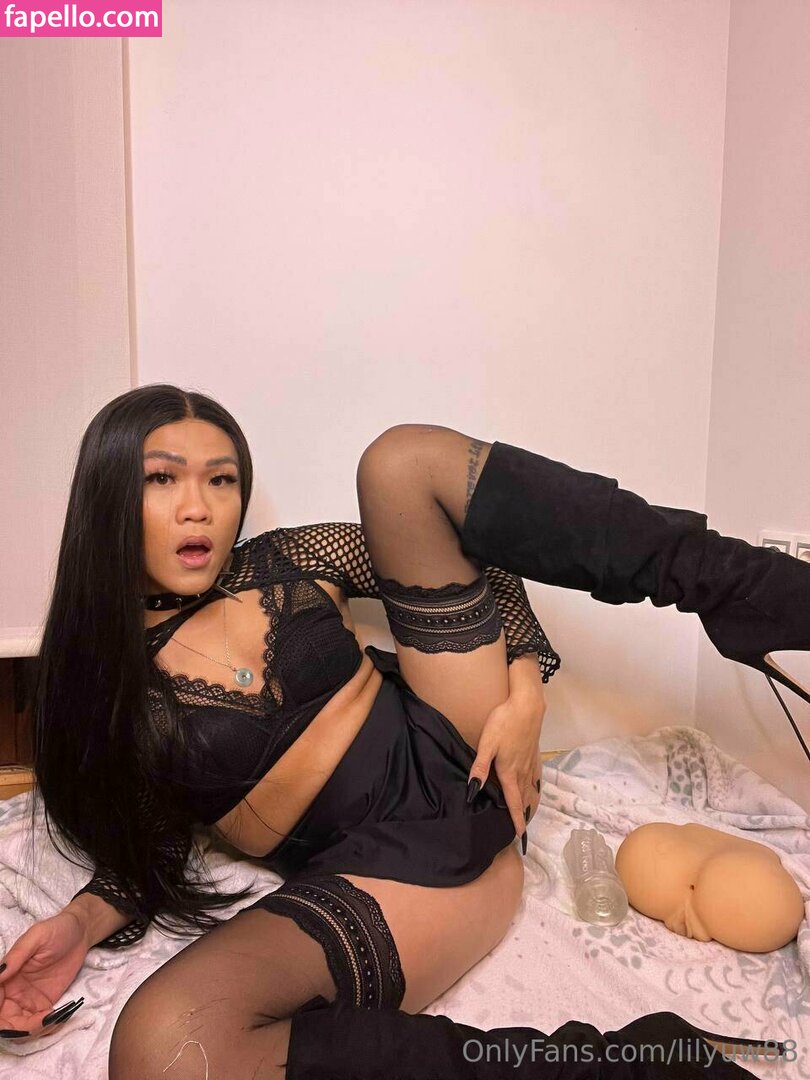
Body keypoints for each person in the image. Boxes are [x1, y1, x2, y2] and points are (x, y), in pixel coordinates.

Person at [0, 385, 804, 1078]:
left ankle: (752, 590)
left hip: (463, 752)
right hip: (390, 866)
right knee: (162, 1043)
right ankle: (633, 1062)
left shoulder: (283, 560)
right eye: (161, 479)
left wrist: (526, 689)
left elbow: (483, 555)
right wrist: (76, 926)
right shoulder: (104, 683)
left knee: (400, 463)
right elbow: (148, 841)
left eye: (222, 478)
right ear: (108, 496)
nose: (198, 506)